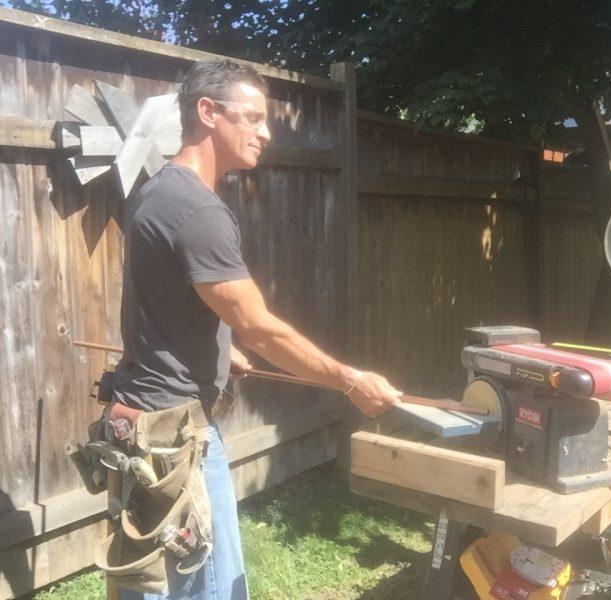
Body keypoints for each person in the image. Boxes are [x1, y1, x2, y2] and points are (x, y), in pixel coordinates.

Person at [113, 59, 402, 600]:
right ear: (207, 112)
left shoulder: (155, 193)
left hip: (142, 419)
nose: (265, 133)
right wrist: (349, 379)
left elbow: (171, 305)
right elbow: (260, 327)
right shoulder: (197, 209)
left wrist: (221, 351)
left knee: (150, 580)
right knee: (208, 588)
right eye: (251, 118)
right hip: (179, 435)